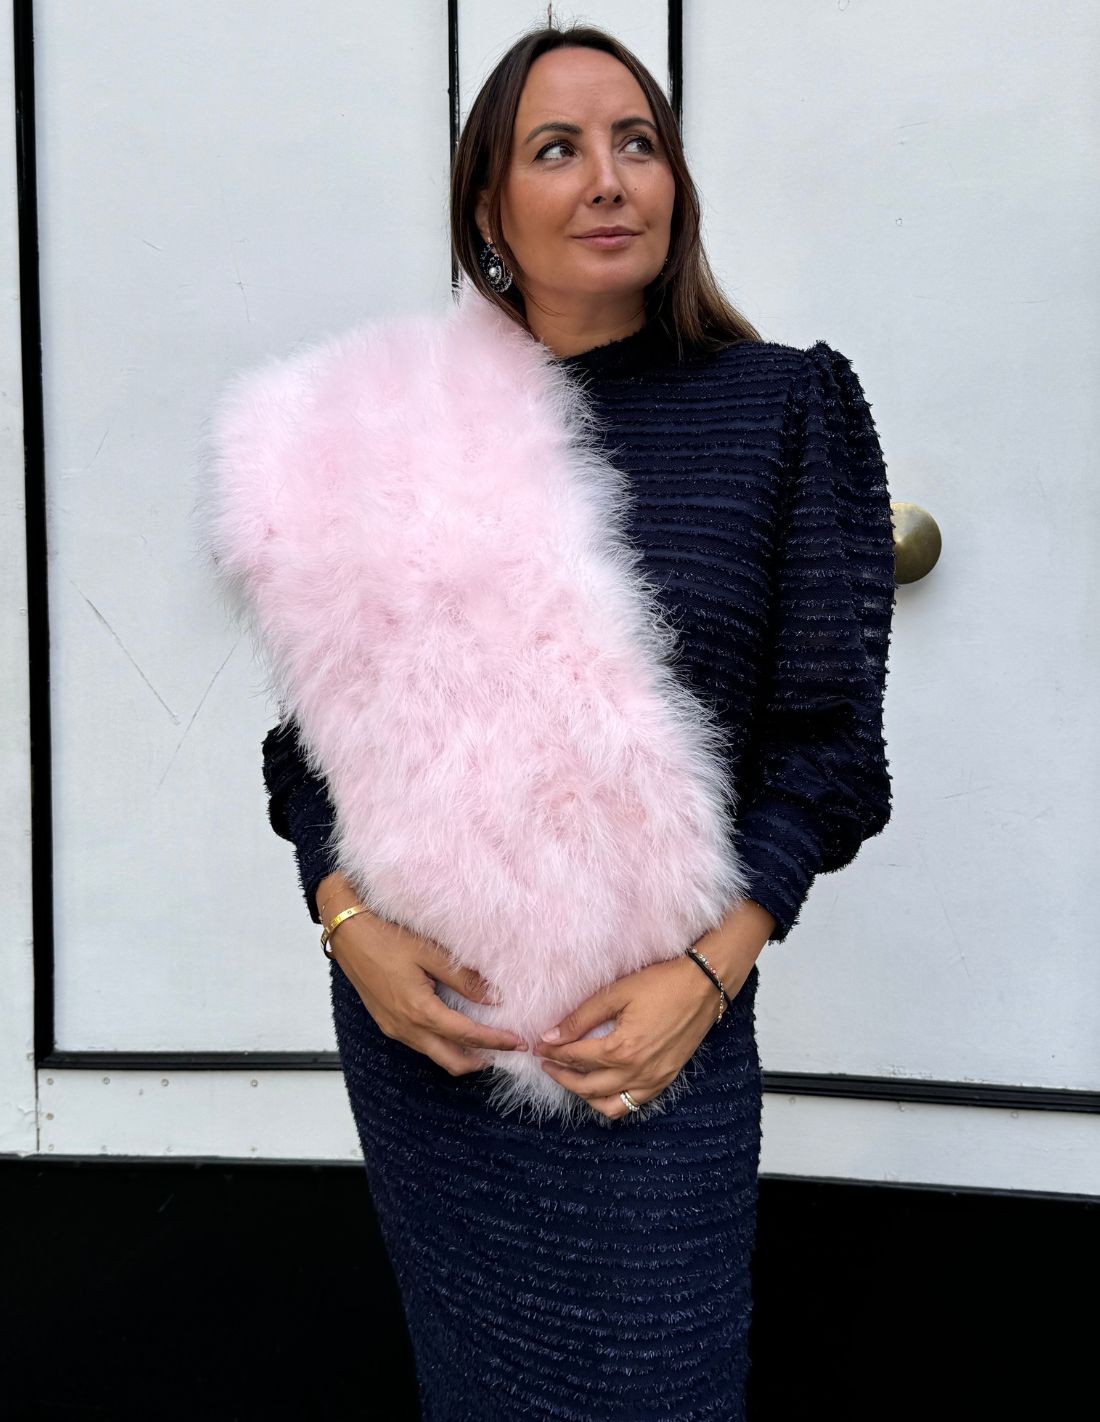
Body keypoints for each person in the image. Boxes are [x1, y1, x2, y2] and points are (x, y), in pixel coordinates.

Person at [253, 22, 895, 1421]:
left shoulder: (780, 408)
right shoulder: (393, 434)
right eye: (558, 149)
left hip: (656, 1038)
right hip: (432, 1040)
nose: (609, 178)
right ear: (490, 211)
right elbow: (310, 751)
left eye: (637, 143)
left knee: (661, 1380)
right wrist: (349, 928)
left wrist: (707, 979)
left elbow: (828, 755)